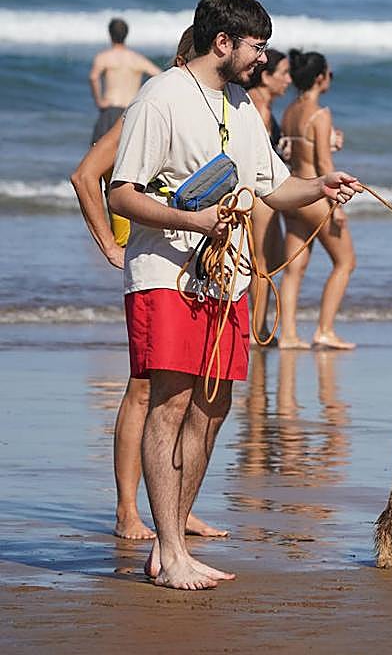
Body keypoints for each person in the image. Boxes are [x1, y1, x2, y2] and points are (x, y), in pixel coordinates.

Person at [108, 0, 362, 590]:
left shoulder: (243, 105)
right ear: (223, 42)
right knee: (169, 402)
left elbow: (274, 189)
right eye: (256, 46)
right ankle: (170, 550)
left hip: (228, 278)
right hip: (166, 272)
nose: (261, 58)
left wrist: (322, 185)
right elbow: (123, 193)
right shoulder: (160, 97)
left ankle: (169, 544)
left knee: (213, 407)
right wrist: (194, 221)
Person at [71, 27, 225, 541]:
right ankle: (126, 511)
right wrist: (109, 248)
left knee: (185, 390)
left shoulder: (208, 112)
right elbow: (86, 175)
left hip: (195, 267)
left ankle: (175, 513)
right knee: (144, 390)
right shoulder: (153, 102)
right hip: (151, 261)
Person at [276, 49, 357, 351]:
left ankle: (288, 335)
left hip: (293, 192)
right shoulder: (320, 114)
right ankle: (324, 329)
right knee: (345, 262)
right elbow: (323, 166)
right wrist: (336, 208)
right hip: (316, 197)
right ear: (320, 78)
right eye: (329, 74)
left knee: (294, 269)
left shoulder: (289, 112)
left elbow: (294, 154)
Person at [245, 49, 291, 342]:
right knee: (259, 265)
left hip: (265, 192)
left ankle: (259, 326)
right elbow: (255, 157)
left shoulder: (264, 107)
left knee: (270, 262)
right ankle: (255, 330)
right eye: (283, 73)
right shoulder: (258, 108)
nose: (288, 79)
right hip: (261, 195)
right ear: (266, 76)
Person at [89, 18, 161, 145]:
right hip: (131, 111)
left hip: (111, 109)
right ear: (126, 35)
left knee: (98, 152)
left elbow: (93, 77)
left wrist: (99, 101)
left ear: (110, 34)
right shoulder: (137, 59)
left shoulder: (104, 57)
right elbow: (160, 76)